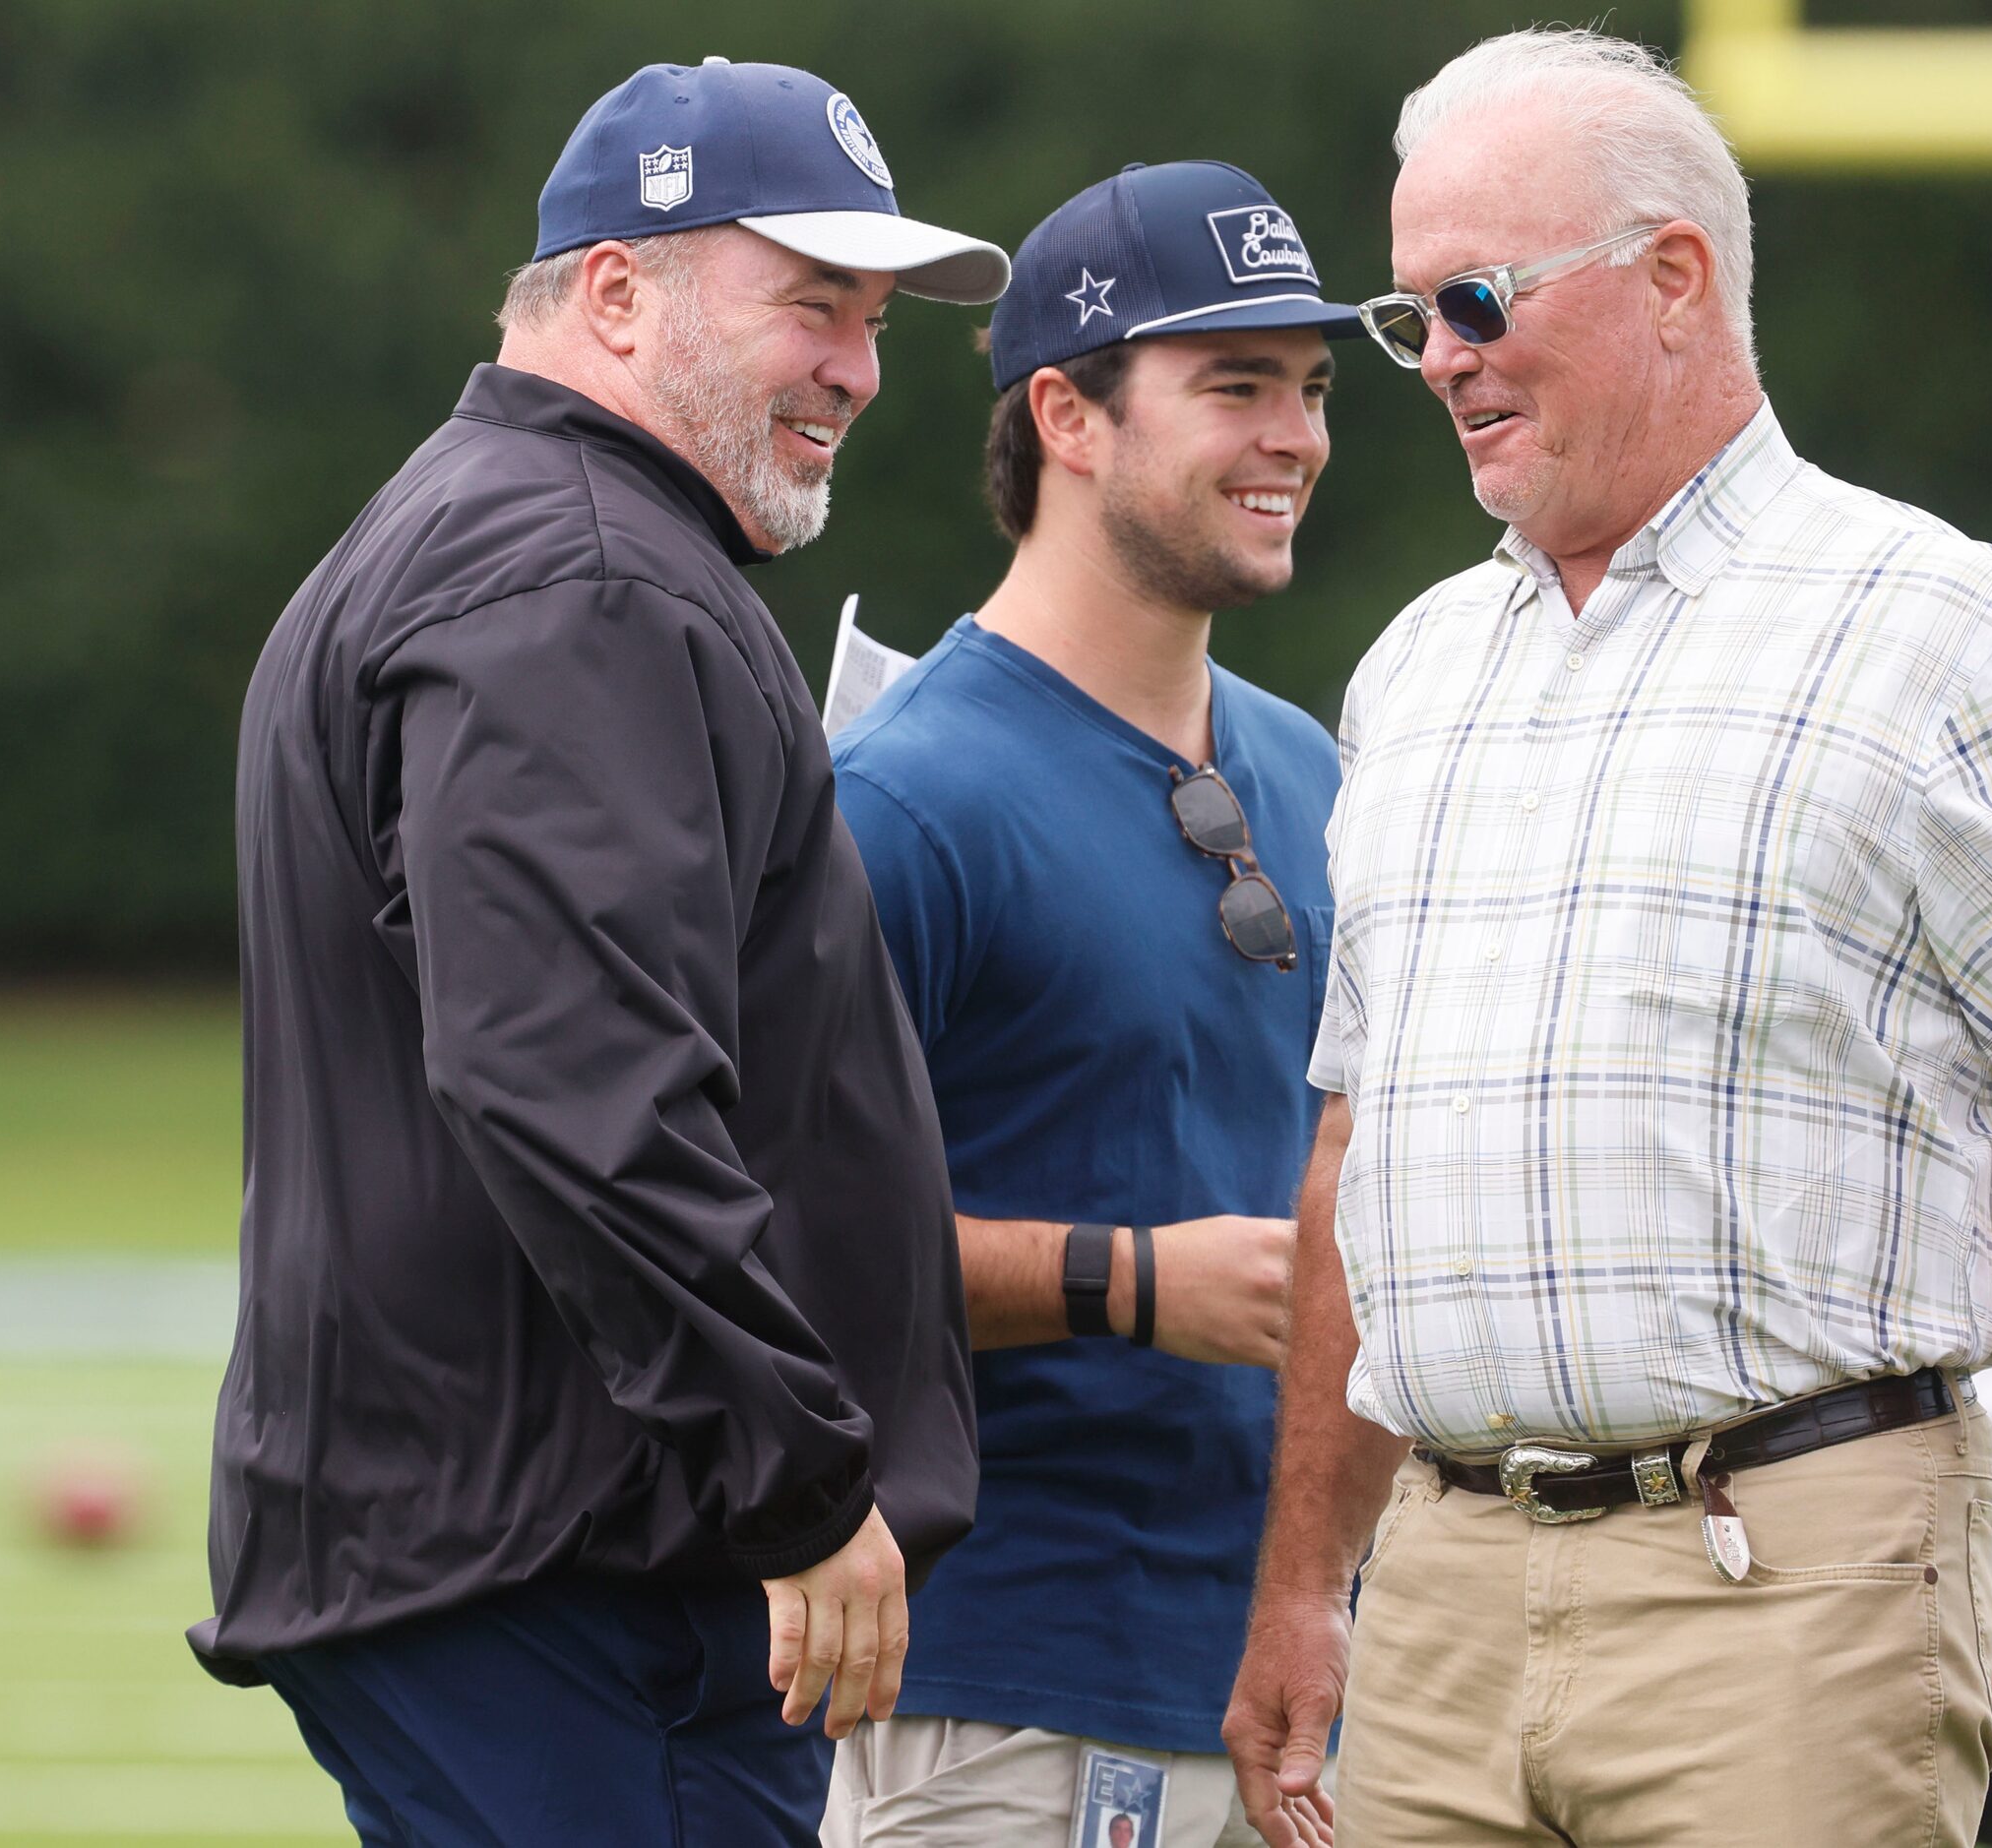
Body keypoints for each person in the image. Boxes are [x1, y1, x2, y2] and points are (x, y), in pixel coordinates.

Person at [1222, 29, 1992, 1848]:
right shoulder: (1411, 673)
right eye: (1414, 319)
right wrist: (1299, 1585)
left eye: (1477, 297)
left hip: (1789, 1589)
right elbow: (1357, 1148)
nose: (1444, 361)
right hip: (1442, 1608)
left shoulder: (1934, 625)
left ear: (1674, 279)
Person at [193, 57, 1011, 1846]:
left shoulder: (527, 534)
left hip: (537, 1553)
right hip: (565, 1580)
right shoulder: (576, 571)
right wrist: (794, 1475)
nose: (859, 370)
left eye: (875, 321)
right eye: (812, 302)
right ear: (619, 292)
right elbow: (577, 1083)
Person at [819, 161, 1360, 1848]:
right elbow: (778, 1256)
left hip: (1300, 1690)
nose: (1297, 435)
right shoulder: (903, 801)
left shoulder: (1317, 770)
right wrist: (1127, 1282)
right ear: (1066, 412)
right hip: (1004, 1696)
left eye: (1314, 389)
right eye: (1238, 386)